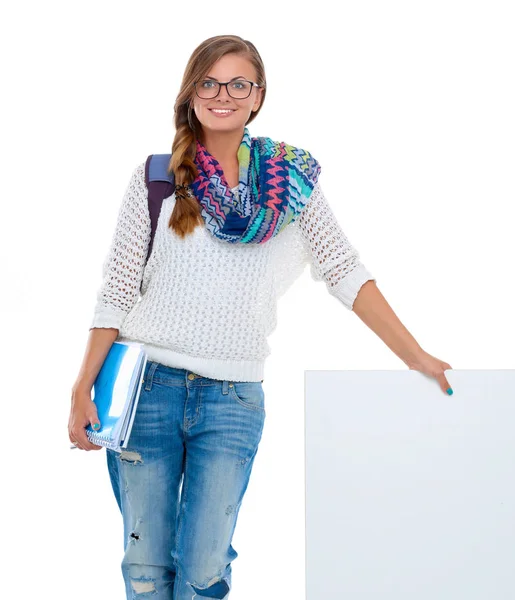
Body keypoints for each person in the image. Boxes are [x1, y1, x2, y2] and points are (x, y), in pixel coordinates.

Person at [68, 34, 453, 600]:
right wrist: (82, 386)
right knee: (145, 567)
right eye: (209, 82)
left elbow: (344, 268)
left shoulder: (291, 186)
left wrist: (414, 354)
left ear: (258, 96)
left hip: (233, 400)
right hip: (144, 391)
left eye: (237, 84)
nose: (223, 94)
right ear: (191, 93)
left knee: (203, 571)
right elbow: (119, 289)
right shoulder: (156, 179)